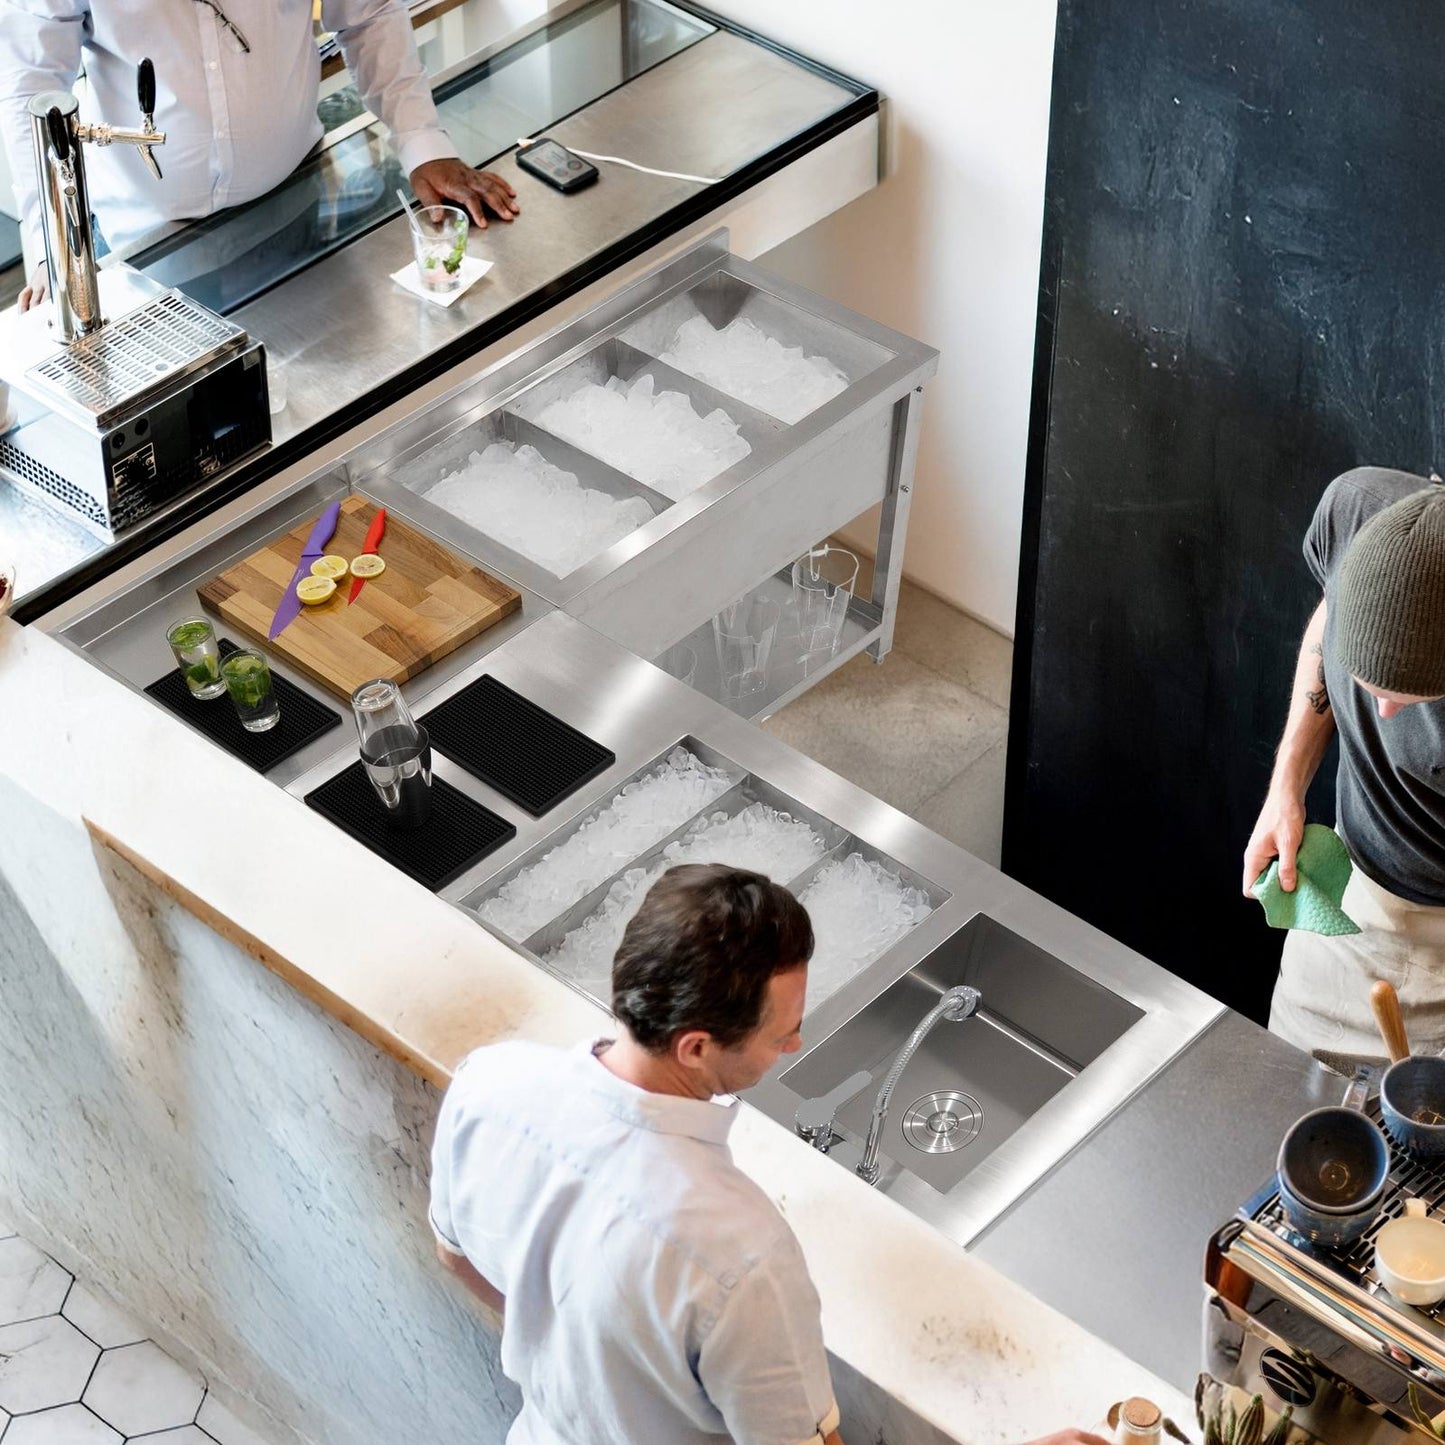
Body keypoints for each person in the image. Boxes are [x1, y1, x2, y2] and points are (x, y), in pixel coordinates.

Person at [428, 861, 1109, 1445]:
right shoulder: (741, 1254)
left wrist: (583, 1356)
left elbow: (455, 1256)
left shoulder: (490, 1080)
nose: (795, 1045)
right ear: (694, 1046)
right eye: (781, 1032)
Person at [0, 0, 520, 311]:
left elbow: (367, 14)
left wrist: (422, 141)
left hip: (295, 206)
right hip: (143, 244)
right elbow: (33, 84)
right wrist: (51, 243)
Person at [1244, 469, 1445, 1060]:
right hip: (1343, 903)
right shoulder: (1356, 510)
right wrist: (1287, 786)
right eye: (1366, 684)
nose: (1383, 712)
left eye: (1410, 696)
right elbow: (1331, 610)